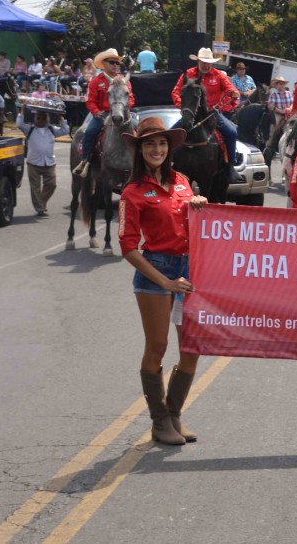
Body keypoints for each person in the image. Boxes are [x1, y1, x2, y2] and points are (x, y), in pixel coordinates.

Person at [118, 117, 209, 446]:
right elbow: (127, 247)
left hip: (188, 269)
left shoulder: (183, 181)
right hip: (155, 270)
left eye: (161, 143)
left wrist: (199, 206)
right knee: (157, 347)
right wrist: (166, 282)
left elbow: (195, 223)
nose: (156, 149)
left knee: (192, 348)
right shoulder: (133, 192)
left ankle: (173, 414)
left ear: (169, 147)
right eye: (149, 144)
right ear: (140, 150)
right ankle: (159, 422)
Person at [170, 47, 240, 181]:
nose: (206, 65)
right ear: (198, 61)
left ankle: (231, 166)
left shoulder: (219, 75)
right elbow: (176, 92)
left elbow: (230, 88)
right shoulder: (188, 74)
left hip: (212, 113)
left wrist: (234, 92)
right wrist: (184, 107)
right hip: (190, 114)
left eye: (209, 63)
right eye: (203, 62)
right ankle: (167, 165)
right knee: (169, 133)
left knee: (232, 133)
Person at [73, 48, 133, 178]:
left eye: (117, 63)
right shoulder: (95, 81)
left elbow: (131, 98)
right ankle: (85, 161)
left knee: (139, 130)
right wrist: (96, 112)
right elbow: (90, 100)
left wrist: (126, 108)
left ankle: (142, 162)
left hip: (123, 113)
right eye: (112, 62)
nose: (115, 65)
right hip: (103, 114)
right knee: (89, 132)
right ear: (104, 64)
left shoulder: (124, 81)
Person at [17, 110, 69, 216]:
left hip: (49, 162)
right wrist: (22, 111)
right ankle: (40, 208)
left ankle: (42, 202)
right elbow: (19, 124)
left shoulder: (51, 129)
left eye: (44, 118)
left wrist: (60, 118)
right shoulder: (29, 129)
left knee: (52, 184)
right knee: (35, 187)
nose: (41, 120)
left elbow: (65, 130)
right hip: (33, 163)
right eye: (38, 118)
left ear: (47, 119)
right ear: (34, 119)